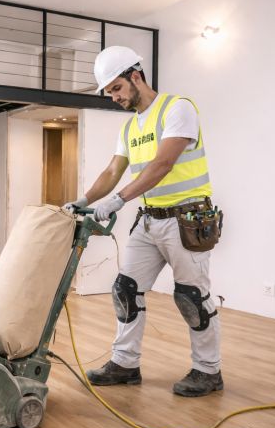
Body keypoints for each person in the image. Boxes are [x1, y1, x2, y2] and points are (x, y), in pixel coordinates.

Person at [64, 46, 223, 397]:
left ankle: (208, 371)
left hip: (187, 220)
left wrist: (119, 199)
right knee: (125, 289)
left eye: (117, 89)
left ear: (135, 76)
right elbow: (112, 171)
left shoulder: (177, 108)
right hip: (149, 221)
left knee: (192, 297)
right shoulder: (130, 127)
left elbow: (163, 164)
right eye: (110, 93)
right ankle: (124, 364)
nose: (115, 98)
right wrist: (85, 200)